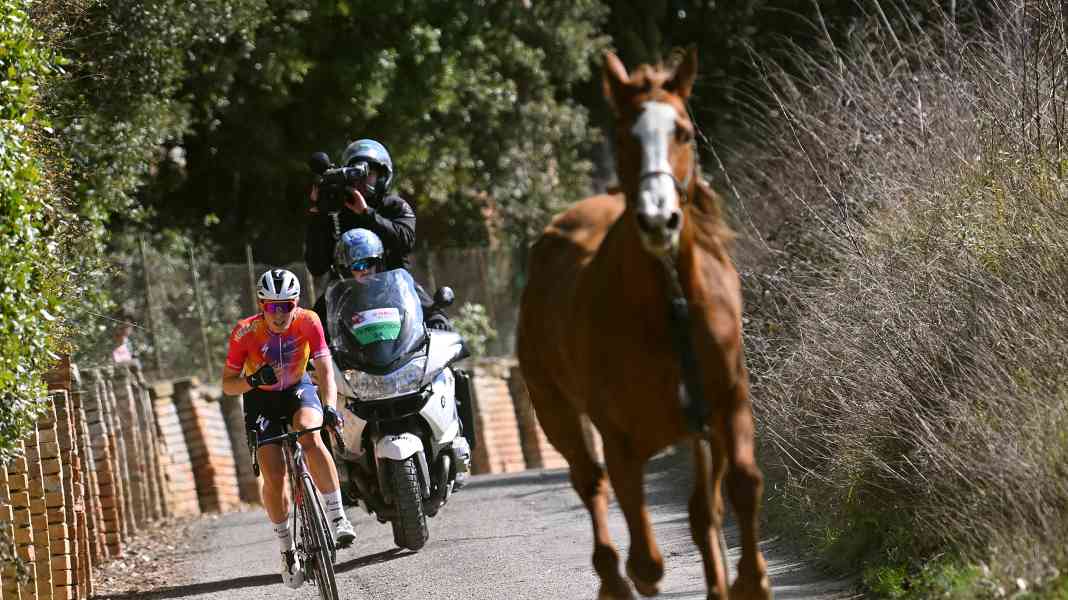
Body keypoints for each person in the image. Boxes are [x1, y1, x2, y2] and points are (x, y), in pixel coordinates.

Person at [220, 268, 356, 590]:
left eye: (287, 306)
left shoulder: (309, 321)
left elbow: (324, 370)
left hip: (298, 389)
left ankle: (338, 517)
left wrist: (330, 406)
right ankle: (286, 548)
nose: (280, 314)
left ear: (297, 303)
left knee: (310, 434)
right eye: (272, 307)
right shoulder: (245, 332)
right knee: (274, 473)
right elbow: (227, 385)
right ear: (261, 305)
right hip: (260, 399)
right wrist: (252, 380)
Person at [304, 138, 450, 330]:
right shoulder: (336, 211)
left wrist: (366, 213)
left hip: (396, 288)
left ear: (383, 177)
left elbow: (405, 241)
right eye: (356, 175)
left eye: (369, 174)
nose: (362, 182)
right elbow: (317, 267)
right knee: (307, 331)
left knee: (440, 323)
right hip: (346, 291)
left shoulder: (395, 206)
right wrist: (318, 215)